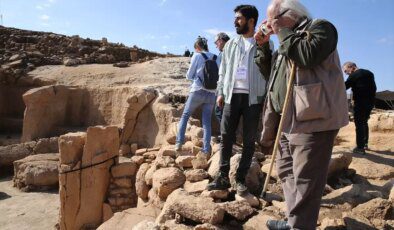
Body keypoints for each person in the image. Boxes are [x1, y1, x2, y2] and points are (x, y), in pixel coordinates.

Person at [254, 0, 349, 229]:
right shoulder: (287, 40)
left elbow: (306, 56)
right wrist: (264, 47)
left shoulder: (321, 28)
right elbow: (272, 74)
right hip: (286, 118)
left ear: (292, 14)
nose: (270, 25)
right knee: (287, 172)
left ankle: (300, 226)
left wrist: (281, 32)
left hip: (312, 119)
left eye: (273, 18)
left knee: (306, 179)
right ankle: (295, 221)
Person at [206, 5, 272, 196]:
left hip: (254, 98)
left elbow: (269, 71)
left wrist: (264, 44)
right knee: (226, 137)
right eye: (235, 18)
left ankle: (241, 179)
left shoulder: (265, 43)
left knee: (250, 140)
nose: (235, 21)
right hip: (231, 95)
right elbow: (223, 71)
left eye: (239, 18)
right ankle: (223, 177)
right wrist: (220, 92)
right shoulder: (230, 45)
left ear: (251, 21)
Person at [175, 36, 219, 156]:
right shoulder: (216, 57)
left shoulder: (197, 55)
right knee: (207, 122)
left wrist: (195, 77)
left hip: (198, 90)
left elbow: (189, 75)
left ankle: (179, 143)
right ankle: (206, 150)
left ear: (197, 47)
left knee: (185, 115)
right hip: (212, 93)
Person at [343, 62, 376, 154]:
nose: (346, 74)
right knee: (364, 122)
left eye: (346, 71)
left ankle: (360, 148)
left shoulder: (354, 75)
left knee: (359, 124)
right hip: (370, 102)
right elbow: (374, 88)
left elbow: (344, 87)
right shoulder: (369, 73)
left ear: (351, 67)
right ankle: (365, 144)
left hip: (360, 102)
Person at [213, 32, 230, 135]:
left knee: (219, 112)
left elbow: (222, 73)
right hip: (230, 88)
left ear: (221, 40)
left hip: (225, 89)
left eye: (216, 42)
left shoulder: (224, 53)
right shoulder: (233, 51)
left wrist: (221, 93)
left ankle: (226, 136)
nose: (216, 45)